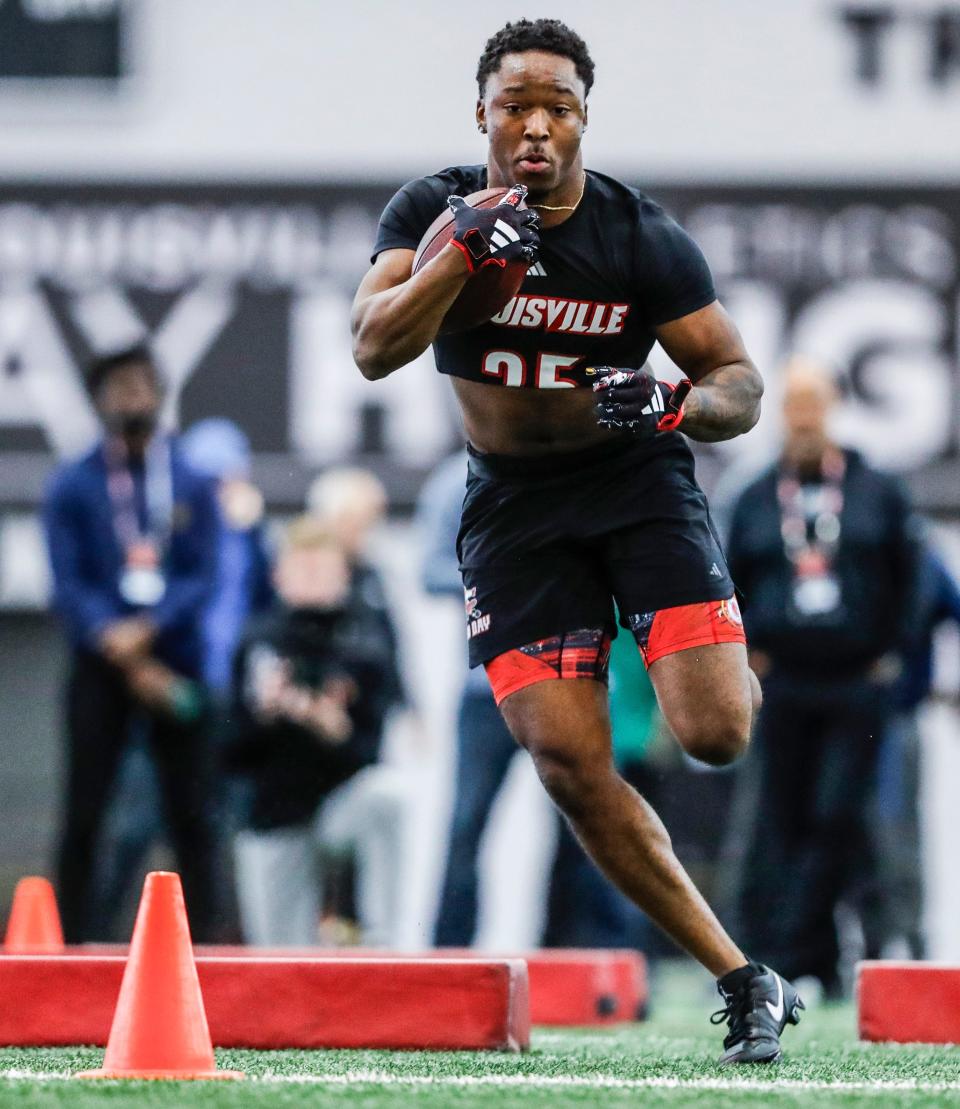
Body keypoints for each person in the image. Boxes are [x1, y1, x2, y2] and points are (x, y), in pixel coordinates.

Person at [352, 18, 801, 1064]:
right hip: (514, 508)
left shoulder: (638, 236)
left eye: (559, 104)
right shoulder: (430, 210)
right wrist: (456, 256)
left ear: (585, 117)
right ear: (483, 114)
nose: (538, 124)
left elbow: (741, 383)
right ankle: (744, 976)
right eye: (518, 103)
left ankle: (715, 651)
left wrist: (671, 397)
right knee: (566, 758)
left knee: (717, 732)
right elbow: (375, 346)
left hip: (636, 486)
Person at [726, 358, 920, 996]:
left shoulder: (877, 491)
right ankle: (797, 959)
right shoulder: (755, 496)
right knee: (780, 822)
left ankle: (817, 954)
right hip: (783, 682)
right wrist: (746, 654)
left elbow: (912, 580)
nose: (804, 416)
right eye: (794, 403)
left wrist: (891, 654)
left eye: (815, 402)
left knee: (840, 816)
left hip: (854, 682)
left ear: (834, 406)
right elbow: (729, 583)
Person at [42, 344, 222, 941]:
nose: (134, 397)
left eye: (144, 384)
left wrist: (150, 629)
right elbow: (68, 583)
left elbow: (203, 575)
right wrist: (114, 639)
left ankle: (208, 948)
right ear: (96, 400)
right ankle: (69, 945)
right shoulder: (72, 483)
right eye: (119, 386)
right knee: (85, 809)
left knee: (193, 812)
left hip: (175, 660)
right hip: (100, 664)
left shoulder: (192, 480)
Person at [228, 517, 405, 947]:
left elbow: (373, 749)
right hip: (276, 813)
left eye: (321, 570)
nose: (311, 581)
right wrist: (267, 716)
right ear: (279, 576)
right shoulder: (259, 639)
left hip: (339, 808)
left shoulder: (363, 639)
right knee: (278, 962)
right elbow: (226, 751)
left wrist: (334, 729)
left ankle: (384, 943)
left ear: (343, 575)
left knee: (389, 795)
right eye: (301, 569)